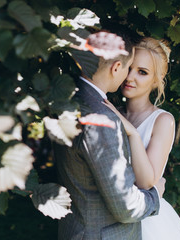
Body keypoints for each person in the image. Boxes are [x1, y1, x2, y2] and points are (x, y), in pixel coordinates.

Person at [54, 30, 165, 240]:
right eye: (128, 68)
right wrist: (156, 195)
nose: (129, 77)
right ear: (116, 68)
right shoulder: (102, 120)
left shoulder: (67, 98)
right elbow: (127, 208)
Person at [104, 37, 180, 239]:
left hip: (147, 221)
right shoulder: (112, 112)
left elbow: (146, 183)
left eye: (142, 72)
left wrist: (133, 133)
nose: (130, 77)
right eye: (130, 68)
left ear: (157, 79)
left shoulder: (163, 120)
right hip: (110, 215)